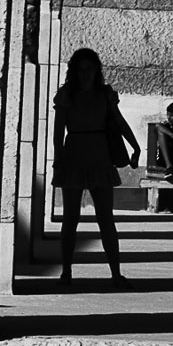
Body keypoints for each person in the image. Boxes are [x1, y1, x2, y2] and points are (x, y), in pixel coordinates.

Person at [51, 48, 139, 287]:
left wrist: (135, 146)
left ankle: (115, 273)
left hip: (100, 156)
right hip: (74, 155)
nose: (85, 74)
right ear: (74, 72)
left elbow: (119, 121)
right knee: (70, 218)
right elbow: (58, 132)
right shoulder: (66, 95)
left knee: (105, 218)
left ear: (97, 70)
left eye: (90, 69)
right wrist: (58, 160)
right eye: (81, 70)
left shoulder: (105, 94)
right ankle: (66, 271)